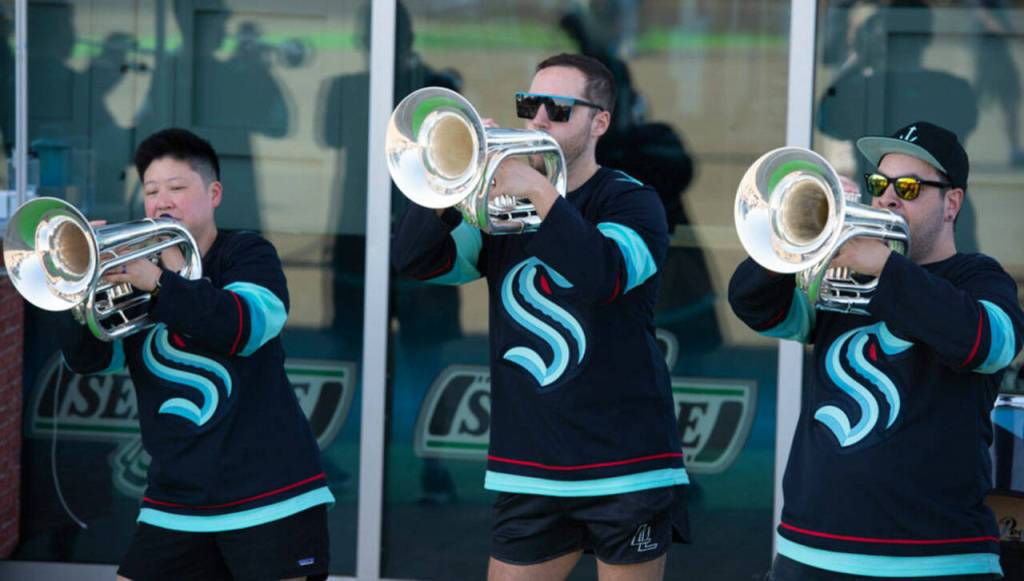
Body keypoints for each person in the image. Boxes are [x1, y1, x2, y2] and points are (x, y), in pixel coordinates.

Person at [392, 53, 689, 580]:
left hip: (626, 464)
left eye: (558, 108)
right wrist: (452, 185)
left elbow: (602, 275)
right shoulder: (496, 207)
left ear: (599, 122)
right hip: (530, 466)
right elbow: (413, 260)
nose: (539, 120)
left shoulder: (632, 202)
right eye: (530, 105)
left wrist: (536, 189)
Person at [729, 121, 1024, 580]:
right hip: (809, 551)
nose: (887, 198)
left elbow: (988, 344)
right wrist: (804, 243)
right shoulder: (837, 275)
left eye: (908, 187)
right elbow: (754, 305)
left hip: (937, 559)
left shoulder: (978, 278)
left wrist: (887, 267)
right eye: (878, 184)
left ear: (951, 203)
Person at [59, 128, 333, 581]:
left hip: (270, 496)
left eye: (177, 188)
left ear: (214, 193)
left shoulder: (246, 253)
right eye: (150, 191)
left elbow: (243, 326)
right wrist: (79, 292)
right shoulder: (129, 275)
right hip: (176, 503)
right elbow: (86, 361)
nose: (161, 201)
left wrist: (161, 282)